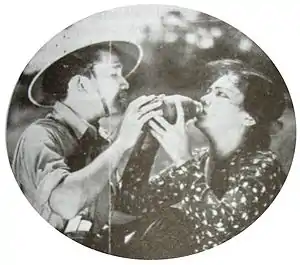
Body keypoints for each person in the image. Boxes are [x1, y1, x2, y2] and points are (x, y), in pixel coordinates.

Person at [116, 59, 287, 258]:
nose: (205, 98)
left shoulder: (263, 167)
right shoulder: (201, 160)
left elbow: (220, 231)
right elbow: (133, 204)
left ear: (248, 117)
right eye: (210, 90)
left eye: (221, 94)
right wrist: (149, 142)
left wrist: (182, 158)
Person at [11, 41, 163, 240]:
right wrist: (122, 143)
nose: (125, 83)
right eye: (114, 74)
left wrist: (146, 148)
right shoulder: (39, 136)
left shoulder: (97, 141)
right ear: (81, 84)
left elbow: (101, 216)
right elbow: (66, 205)